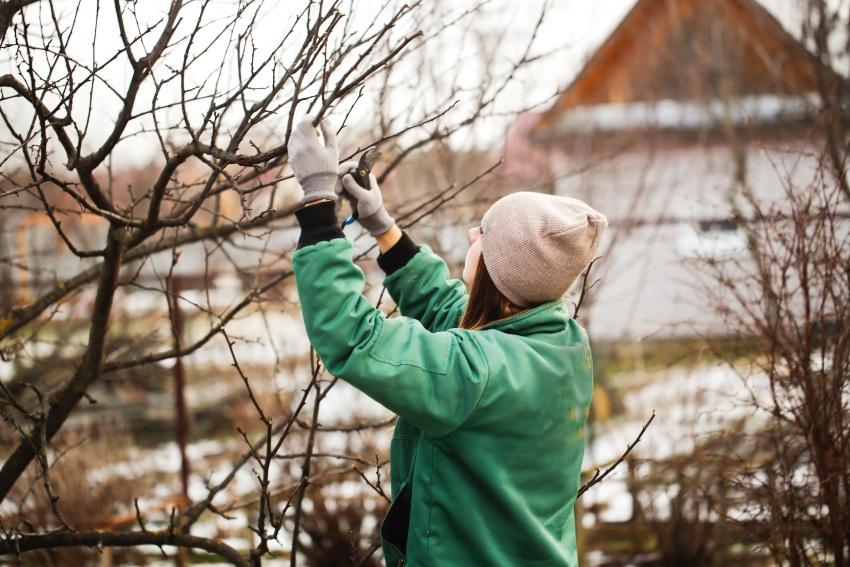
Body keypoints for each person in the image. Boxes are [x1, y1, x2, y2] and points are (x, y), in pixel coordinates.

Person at [287, 116, 608, 567]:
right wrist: (383, 228)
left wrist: (319, 201)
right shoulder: (562, 344)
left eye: (485, 234)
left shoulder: (475, 373)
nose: (472, 235)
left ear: (505, 271)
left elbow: (357, 337)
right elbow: (454, 311)